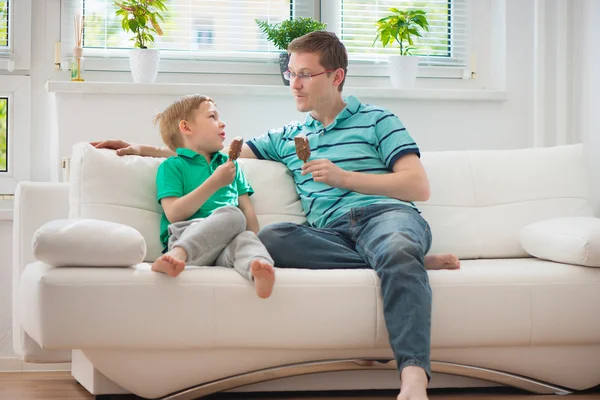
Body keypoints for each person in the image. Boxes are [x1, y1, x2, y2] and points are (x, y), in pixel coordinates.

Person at [93, 31, 460, 400]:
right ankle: (402, 261)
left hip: (385, 216)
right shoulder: (289, 136)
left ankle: (413, 379)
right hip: (329, 234)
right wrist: (142, 149)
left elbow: (418, 186)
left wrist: (343, 177)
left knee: (395, 244)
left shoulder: (378, 121)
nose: (294, 85)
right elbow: (216, 157)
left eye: (305, 75)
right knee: (272, 238)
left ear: (336, 77)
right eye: (291, 74)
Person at [149, 94, 275, 299]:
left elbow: (248, 213)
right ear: (187, 128)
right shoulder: (172, 166)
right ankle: (178, 255)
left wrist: (255, 241)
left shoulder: (230, 165)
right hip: (187, 234)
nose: (222, 122)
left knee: (245, 237)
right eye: (212, 117)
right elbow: (174, 214)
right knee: (233, 215)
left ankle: (257, 269)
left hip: (225, 246)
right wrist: (215, 182)